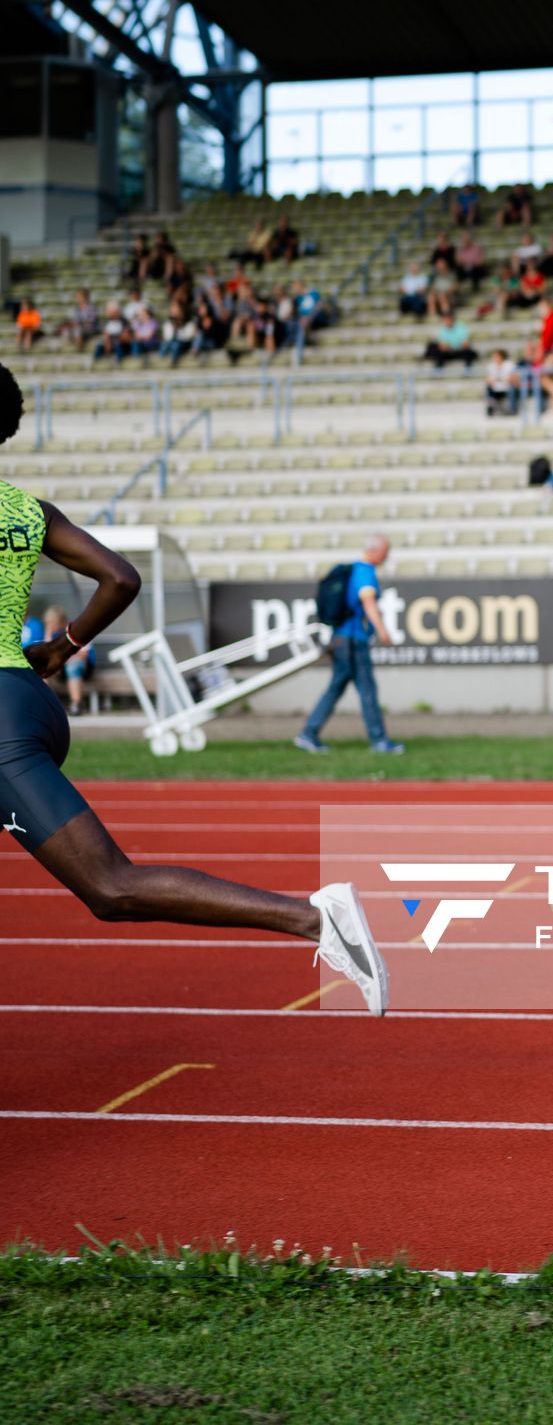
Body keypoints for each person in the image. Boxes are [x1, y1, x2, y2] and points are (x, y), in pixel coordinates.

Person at [0, 365, 387, 1014]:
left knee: (110, 886)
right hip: (26, 699)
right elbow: (120, 579)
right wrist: (62, 649)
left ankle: (317, 919)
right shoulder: (28, 511)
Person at [295, 538, 404, 759]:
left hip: (340, 639)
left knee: (336, 688)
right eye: (386, 551)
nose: (387, 556)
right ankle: (379, 740)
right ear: (376, 551)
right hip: (353, 640)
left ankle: (309, 732)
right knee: (367, 690)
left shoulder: (352, 570)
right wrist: (382, 630)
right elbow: (368, 602)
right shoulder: (365, 572)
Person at [484, 348, 520, 418]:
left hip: (508, 387)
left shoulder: (509, 365)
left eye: (496, 356)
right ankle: (491, 408)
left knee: (512, 388)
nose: (494, 358)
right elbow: (488, 379)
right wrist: (500, 379)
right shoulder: (491, 366)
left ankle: (513, 409)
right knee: (489, 389)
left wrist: (497, 379)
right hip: (496, 388)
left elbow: (513, 378)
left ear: (501, 356)